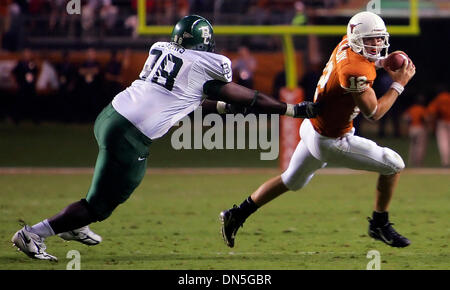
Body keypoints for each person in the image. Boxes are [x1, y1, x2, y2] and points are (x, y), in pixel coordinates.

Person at [11, 15, 320, 261]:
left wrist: (223, 106)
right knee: (101, 204)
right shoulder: (208, 63)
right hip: (130, 134)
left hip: (111, 114)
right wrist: (292, 109)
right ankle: (35, 233)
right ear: (205, 43)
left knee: (109, 189)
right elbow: (251, 97)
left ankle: (74, 224)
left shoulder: (161, 50)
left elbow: (182, 96)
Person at [220, 11, 416, 249]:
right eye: (370, 40)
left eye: (378, 39)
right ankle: (379, 224)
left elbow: (363, 62)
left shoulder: (347, 44)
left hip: (312, 128)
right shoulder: (355, 70)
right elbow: (373, 113)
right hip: (331, 140)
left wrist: (381, 62)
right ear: (356, 39)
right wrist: (399, 84)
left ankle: (236, 214)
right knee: (394, 164)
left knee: (292, 180)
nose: (376, 44)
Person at [402, 95, 429, 167]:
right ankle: (418, 163)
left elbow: (406, 119)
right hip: (420, 128)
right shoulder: (422, 109)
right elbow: (425, 119)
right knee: (420, 147)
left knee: (412, 146)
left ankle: (411, 162)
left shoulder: (411, 109)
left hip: (412, 128)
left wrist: (407, 128)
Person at [427, 89, 450, 167]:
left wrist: (431, 124)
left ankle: (445, 163)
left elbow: (432, 112)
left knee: (443, 143)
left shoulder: (438, 99)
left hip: (442, 122)